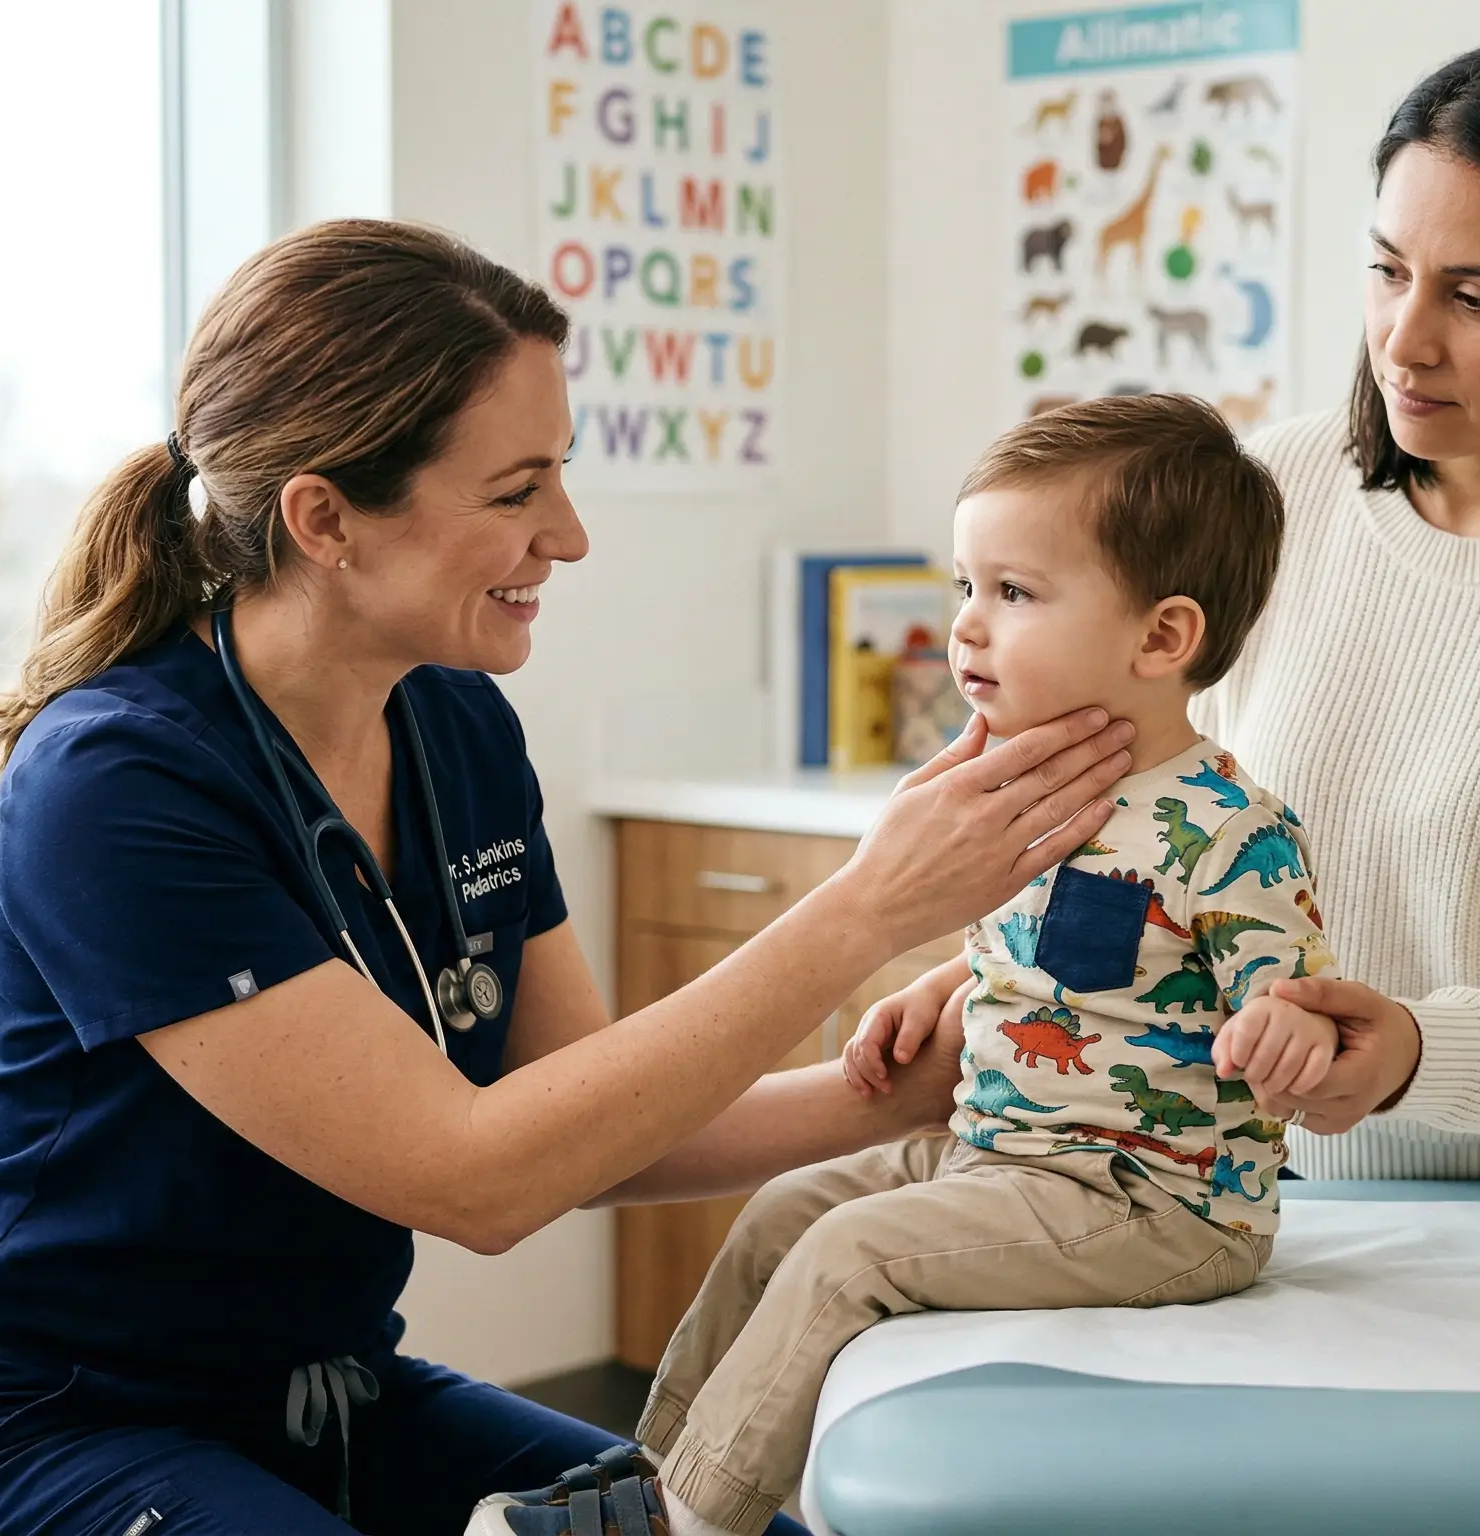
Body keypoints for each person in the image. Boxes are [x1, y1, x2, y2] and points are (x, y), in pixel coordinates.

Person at [0, 220, 1139, 1536]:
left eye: (558, 478)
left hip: (331, 1404)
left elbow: (578, 1128)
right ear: (326, 519)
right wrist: (863, 912)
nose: (566, 536)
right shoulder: (116, 784)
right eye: (516, 493)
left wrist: (902, 1090)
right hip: (36, 1431)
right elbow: (475, 1179)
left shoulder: (453, 722)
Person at [892, 34, 1480, 1203]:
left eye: (1476, 298)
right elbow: (1127, 808)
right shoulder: (1269, 494)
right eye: (1385, 270)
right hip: (1235, 1179)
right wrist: (1002, 979)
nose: (1403, 341)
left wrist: (1408, 1054)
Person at [504, 395, 1336, 1536]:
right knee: (783, 1216)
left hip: (1152, 1203)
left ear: (1161, 638)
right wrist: (940, 988)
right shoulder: (1028, 790)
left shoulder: (1228, 829)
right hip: (1000, 1154)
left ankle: (688, 1521)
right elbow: (1046, 962)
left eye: (1014, 593)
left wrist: (1283, 1033)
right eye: (964, 588)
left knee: (849, 1254)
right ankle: (649, 1474)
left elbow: (1286, 1005)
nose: (967, 629)